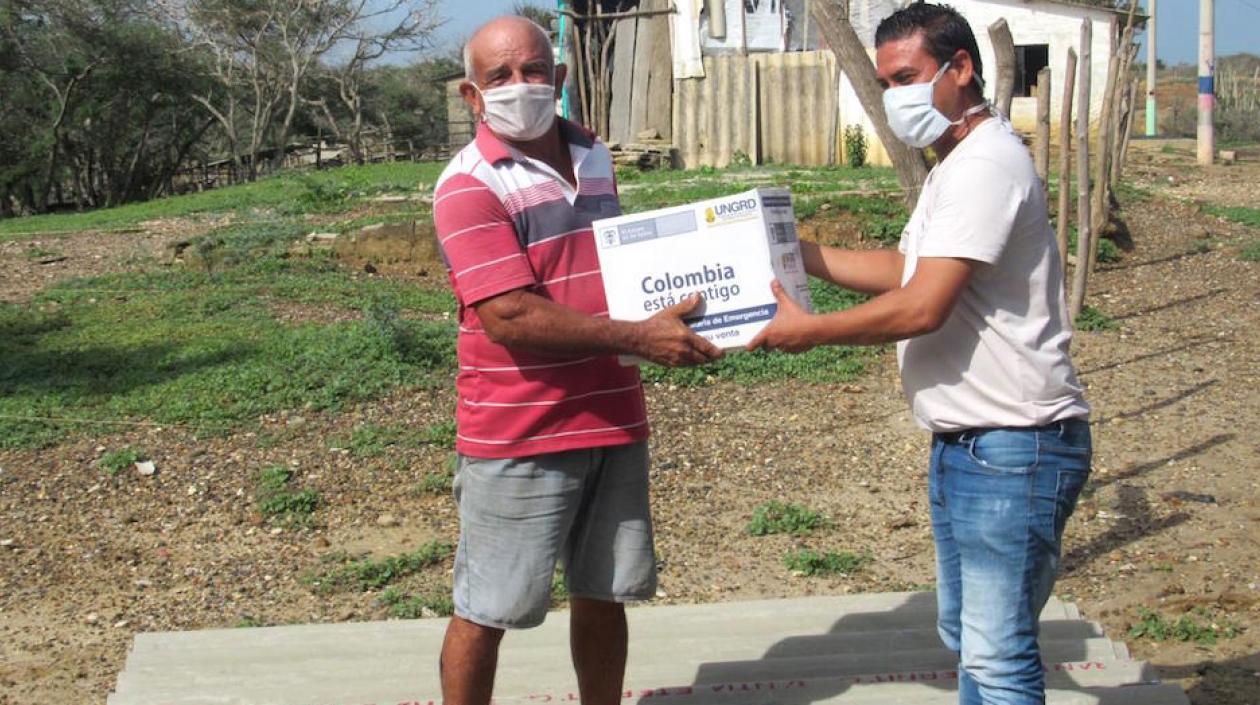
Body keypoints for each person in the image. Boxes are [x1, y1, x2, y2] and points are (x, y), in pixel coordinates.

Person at [747, 4, 1091, 704]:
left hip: (1013, 446)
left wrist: (807, 332)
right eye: (885, 83)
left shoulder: (986, 164)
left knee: (996, 657)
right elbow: (908, 268)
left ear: (961, 68)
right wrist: (795, 253)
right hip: (972, 444)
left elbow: (920, 306)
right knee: (972, 640)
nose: (896, 97)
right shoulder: (956, 165)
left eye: (908, 77)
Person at [431, 16, 722, 705]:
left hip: (613, 417)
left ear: (559, 80)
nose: (520, 86)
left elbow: (614, 268)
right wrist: (637, 337)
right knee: (489, 607)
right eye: (499, 77)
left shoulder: (593, 153)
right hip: (520, 430)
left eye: (534, 70)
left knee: (605, 592)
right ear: (473, 97)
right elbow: (509, 315)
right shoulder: (468, 185)